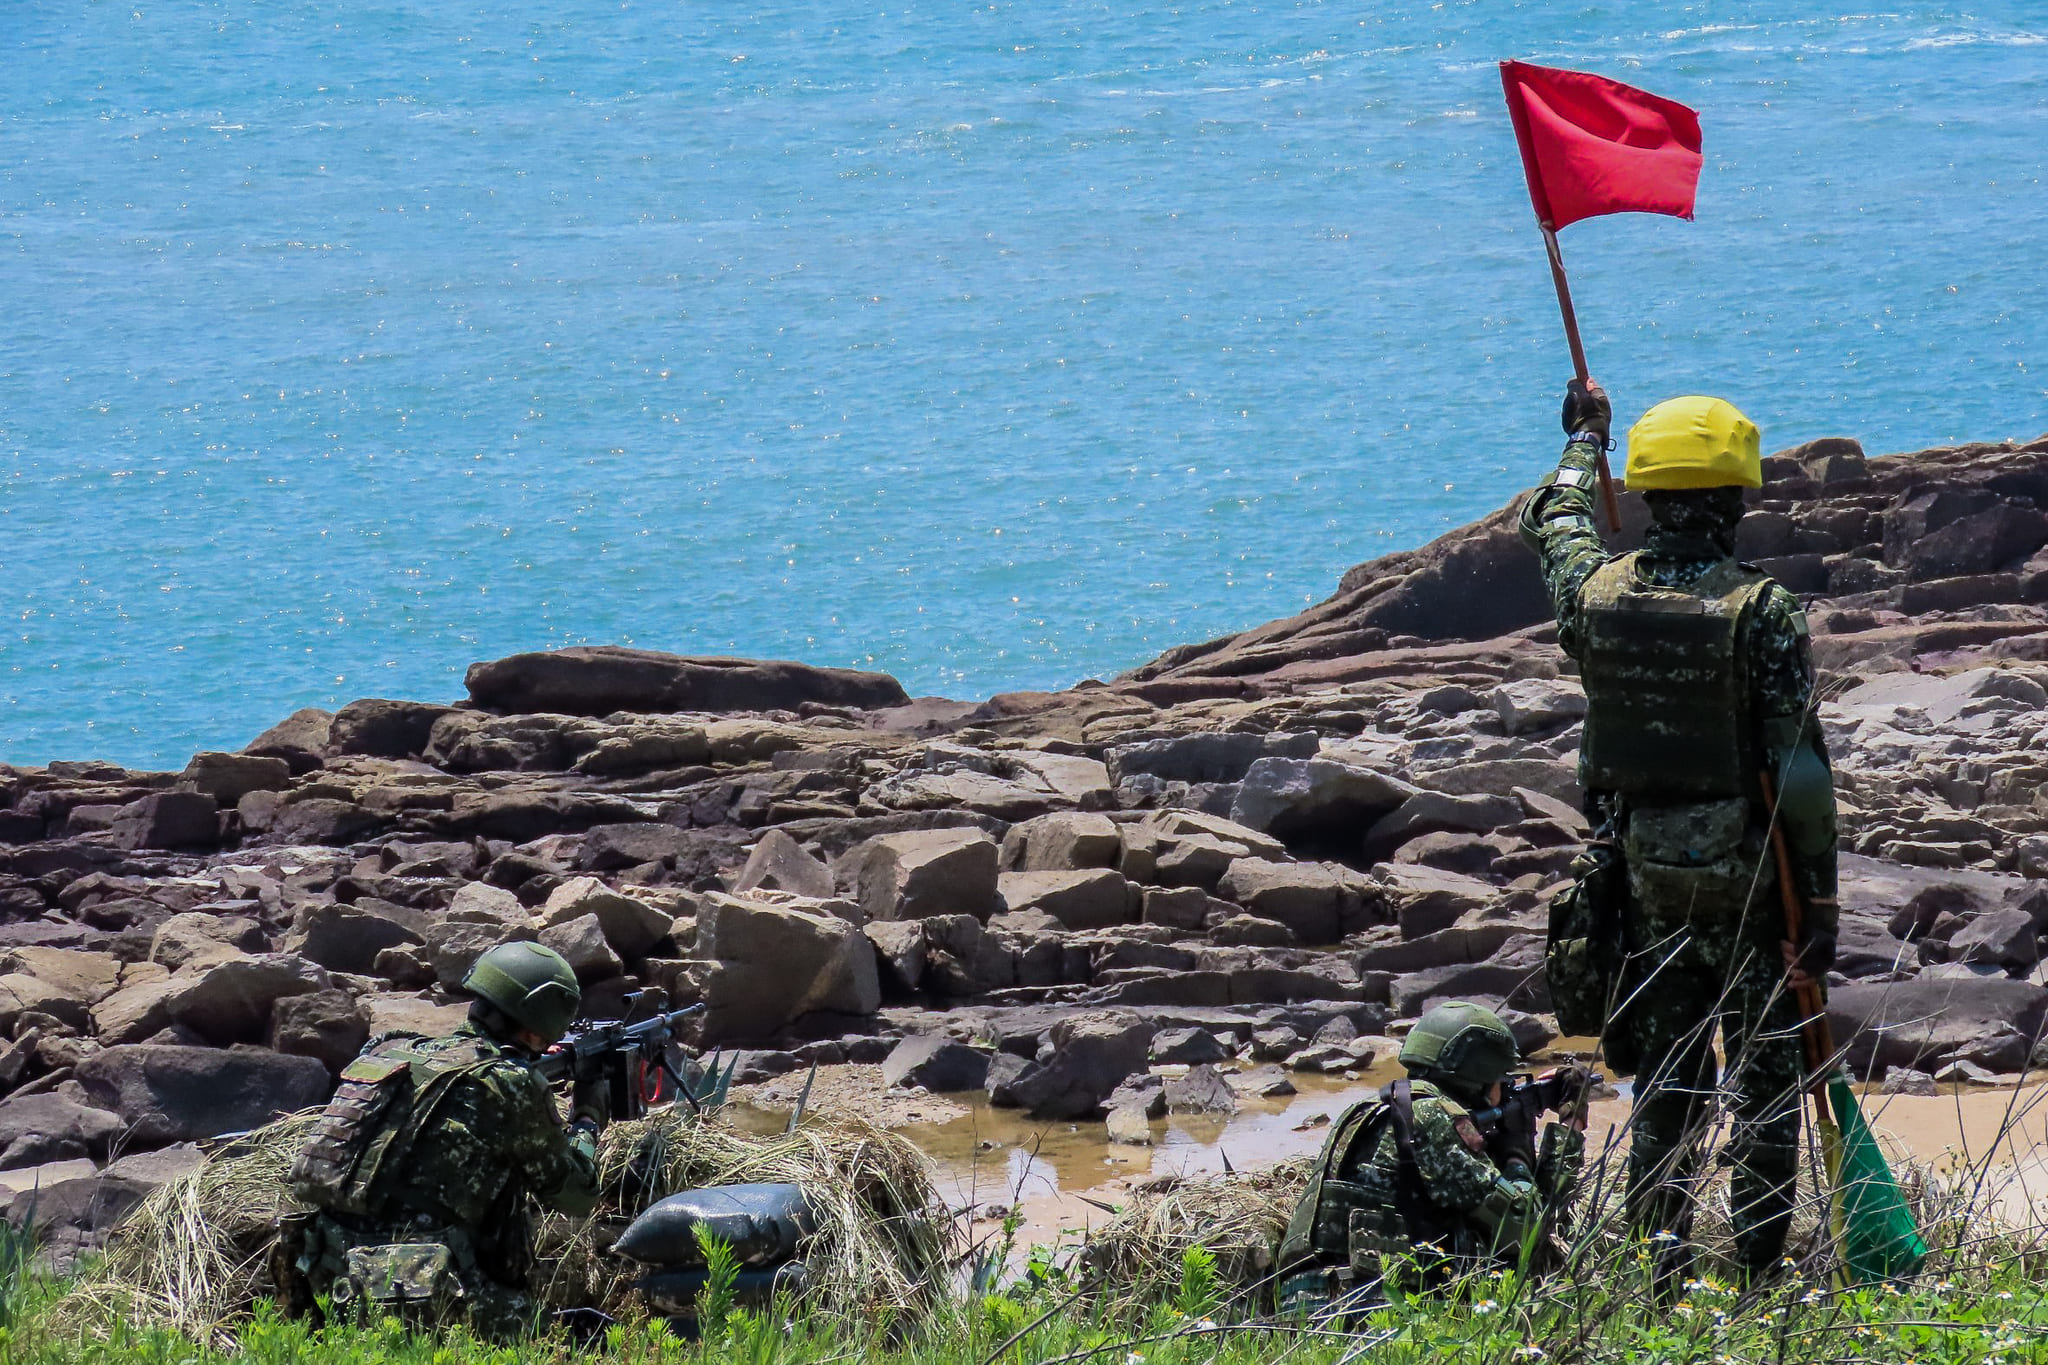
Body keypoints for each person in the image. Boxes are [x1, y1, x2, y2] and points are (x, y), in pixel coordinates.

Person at [1519, 381, 1839, 1289]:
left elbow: (1553, 517)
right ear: (1734, 500)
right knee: (1768, 1090)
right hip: (1752, 884)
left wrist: (1585, 439)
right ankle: (1755, 1279)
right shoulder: (1764, 610)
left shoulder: (1592, 596)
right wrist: (1818, 902)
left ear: (1651, 495)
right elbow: (1802, 776)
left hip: (1642, 882)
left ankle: (1658, 1278)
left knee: (1669, 1086)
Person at [280, 941, 608, 1339]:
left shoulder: (388, 1052)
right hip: (434, 1296)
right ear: (537, 1023)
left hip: (329, 1278)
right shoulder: (508, 1083)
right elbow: (576, 1195)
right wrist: (587, 1120)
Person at [1276, 1002, 1588, 1308]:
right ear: (1475, 1078)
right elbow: (1527, 1227)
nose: (1503, 1090)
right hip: (1367, 1309)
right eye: (1501, 1080)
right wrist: (1527, 1150)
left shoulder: (1368, 1110)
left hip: (1309, 1301)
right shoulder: (1433, 1116)